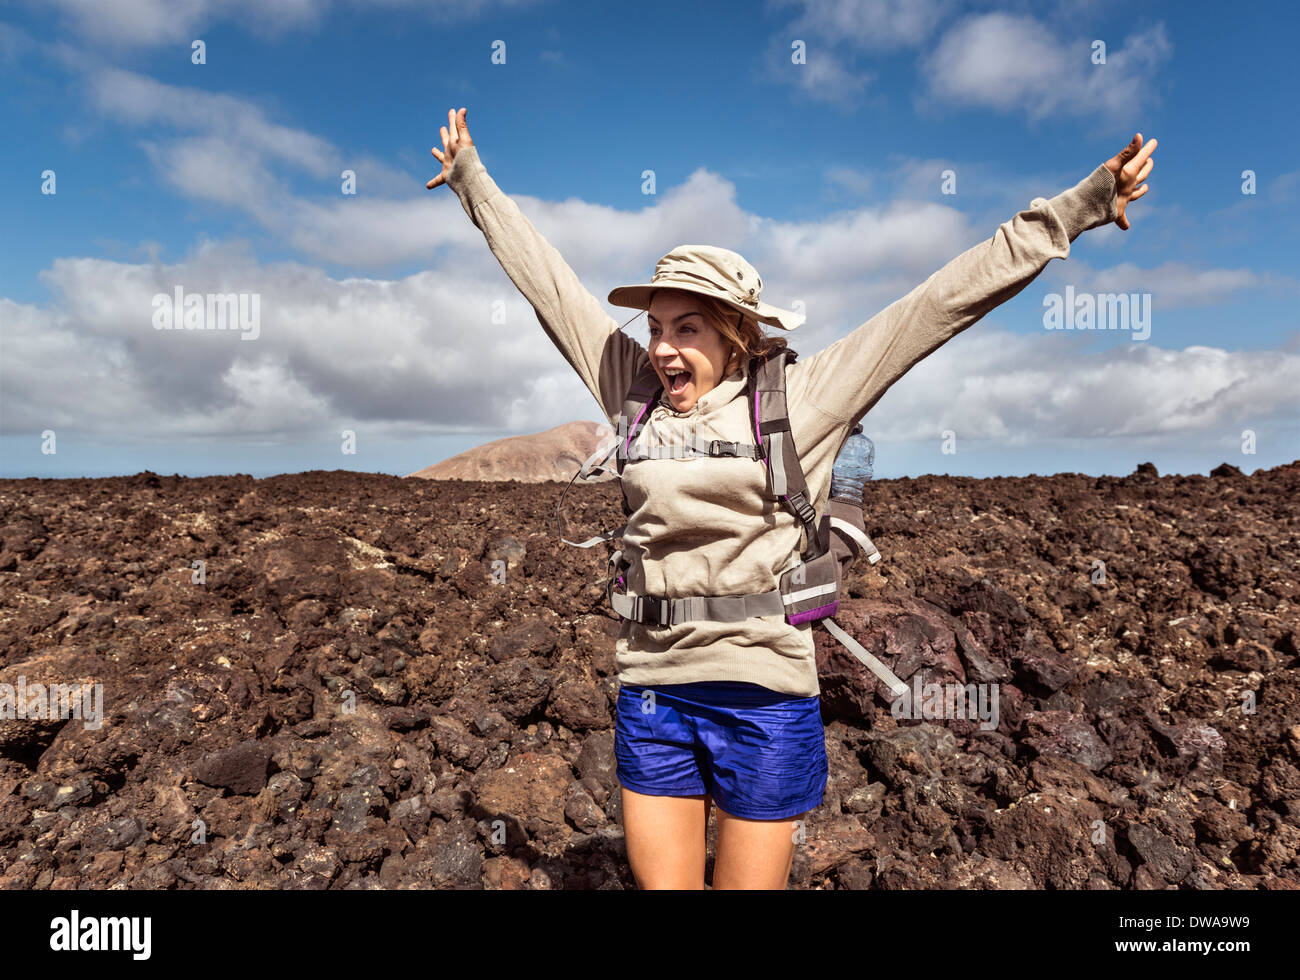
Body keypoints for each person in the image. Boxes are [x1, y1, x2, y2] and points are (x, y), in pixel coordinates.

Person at [427, 107, 1155, 889]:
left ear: (738, 333)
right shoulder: (629, 388)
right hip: (653, 691)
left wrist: (1075, 209)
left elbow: (940, 303)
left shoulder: (802, 400)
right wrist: (473, 181)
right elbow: (550, 286)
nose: (664, 347)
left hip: (765, 694)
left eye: (689, 328)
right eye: (656, 327)